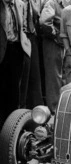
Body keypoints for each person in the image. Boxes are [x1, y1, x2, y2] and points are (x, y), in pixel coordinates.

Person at [0, 0, 31, 128]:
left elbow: (23, 27)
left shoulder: (20, 4)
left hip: (17, 50)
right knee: (2, 89)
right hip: (2, 51)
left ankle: (11, 126)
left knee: (15, 90)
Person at [21, 0, 44, 109]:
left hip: (32, 36)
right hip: (19, 38)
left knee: (35, 75)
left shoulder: (35, 2)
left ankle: (37, 109)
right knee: (23, 76)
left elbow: (38, 14)